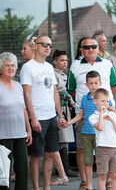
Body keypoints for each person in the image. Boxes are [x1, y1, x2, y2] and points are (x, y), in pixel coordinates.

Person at [67, 37, 116, 190]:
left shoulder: (107, 64)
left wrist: (103, 101)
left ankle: (108, 181)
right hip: (85, 115)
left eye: (93, 47)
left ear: (98, 48)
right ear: (81, 50)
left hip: (106, 114)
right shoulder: (75, 66)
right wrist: (89, 102)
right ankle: (84, 182)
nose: (90, 49)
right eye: (86, 47)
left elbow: (113, 86)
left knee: (106, 148)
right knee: (82, 149)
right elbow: (71, 89)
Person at [20, 36, 66, 190]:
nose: (48, 47)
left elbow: (54, 92)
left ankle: (46, 187)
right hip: (38, 118)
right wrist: (33, 119)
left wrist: (60, 115)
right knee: (36, 156)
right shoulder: (28, 67)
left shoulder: (48, 67)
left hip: (51, 117)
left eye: (50, 45)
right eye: (44, 44)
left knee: (51, 153)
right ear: (35, 46)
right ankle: (36, 188)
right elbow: (26, 94)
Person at [0, 52, 32, 190]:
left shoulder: (18, 86)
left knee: (22, 170)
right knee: (3, 173)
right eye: (7, 65)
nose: (11, 68)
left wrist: (28, 130)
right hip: (3, 136)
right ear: (0, 69)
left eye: (12, 65)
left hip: (20, 134)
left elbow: (23, 109)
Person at [50, 50, 79, 186]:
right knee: (61, 139)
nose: (65, 62)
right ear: (55, 61)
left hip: (66, 109)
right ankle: (62, 168)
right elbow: (57, 92)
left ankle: (64, 167)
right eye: (62, 60)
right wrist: (68, 98)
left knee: (65, 139)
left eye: (66, 60)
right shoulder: (53, 74)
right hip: (58, 109)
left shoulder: (64, 76)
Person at [89, 88, 116, 190]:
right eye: (102, 101)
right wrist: (101, 115)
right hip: (102, 148)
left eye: (107, 101)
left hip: (114, 148)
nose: (105, 104)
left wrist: (112, 119)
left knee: (114, 175)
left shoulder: (112, 115)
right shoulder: (93, 117)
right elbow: (100, 128)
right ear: (95, 101)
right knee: (102, 175)